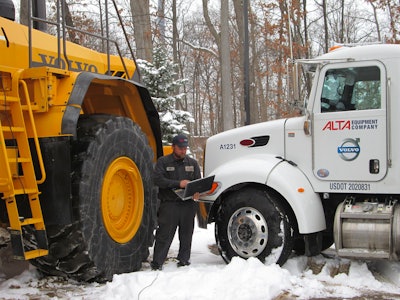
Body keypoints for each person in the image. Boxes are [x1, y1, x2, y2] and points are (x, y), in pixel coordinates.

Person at [151, 134, 201, 270]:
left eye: (185, 148)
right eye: (180, 148)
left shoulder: (192, 163)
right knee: (164, 235)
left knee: (186, 234)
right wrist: (179, 183)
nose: (183, 151)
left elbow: (198, 181)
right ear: (173, 147)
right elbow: (157, 180)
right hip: (169, 205)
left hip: (188, 205)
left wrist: (198, 191)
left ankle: (184, 260)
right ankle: (157, 263)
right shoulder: (163, 162)